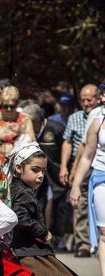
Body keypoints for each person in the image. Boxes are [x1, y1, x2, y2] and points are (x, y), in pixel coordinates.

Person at [8, 142, 76, 275]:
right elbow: (19, 217)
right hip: (28, 252)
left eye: (43, 171)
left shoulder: (19, 189)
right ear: (19, 168)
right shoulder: (23, 193)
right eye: (35, 170)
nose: (41, 175)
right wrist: (43, 232)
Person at [59, 84, 100, 255]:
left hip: (99, 162)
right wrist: (64, 167)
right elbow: (68, 143)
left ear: (98, 98)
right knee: (80, 203)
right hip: (81, 163)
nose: (85, 103)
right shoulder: (75, 117)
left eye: (89, 99)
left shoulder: (99, 115)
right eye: (82, 100)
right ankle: (82, 244)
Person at [70, 114, 105, 275]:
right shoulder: (99, 121)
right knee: (104, 231)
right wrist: (76, 186)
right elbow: (87, 156)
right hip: (101, 178)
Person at [0, 85, 35, 164]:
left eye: (12, 106)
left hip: (15, 163)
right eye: (5, 106)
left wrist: (21, 131)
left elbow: (33, 143)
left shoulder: (25, 119)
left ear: (17, 104)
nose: (9, 109)